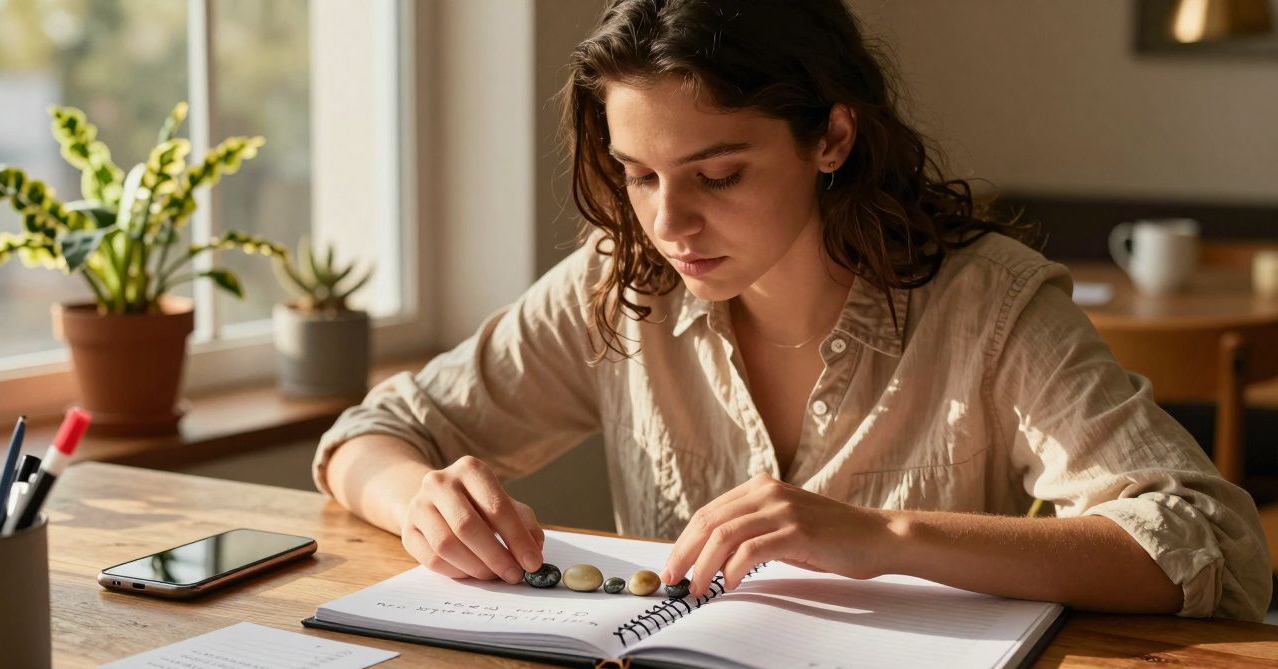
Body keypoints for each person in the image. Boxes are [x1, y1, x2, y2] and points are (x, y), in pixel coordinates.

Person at [315, 0, 1271, 621]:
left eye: (718, 174)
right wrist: (420, 499)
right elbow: (374, 433)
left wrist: (881, 539)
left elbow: (1210, 545)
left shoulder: (988, 303)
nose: (668, 222)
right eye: (638, 175)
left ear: (833, 137)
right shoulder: (621, 282)